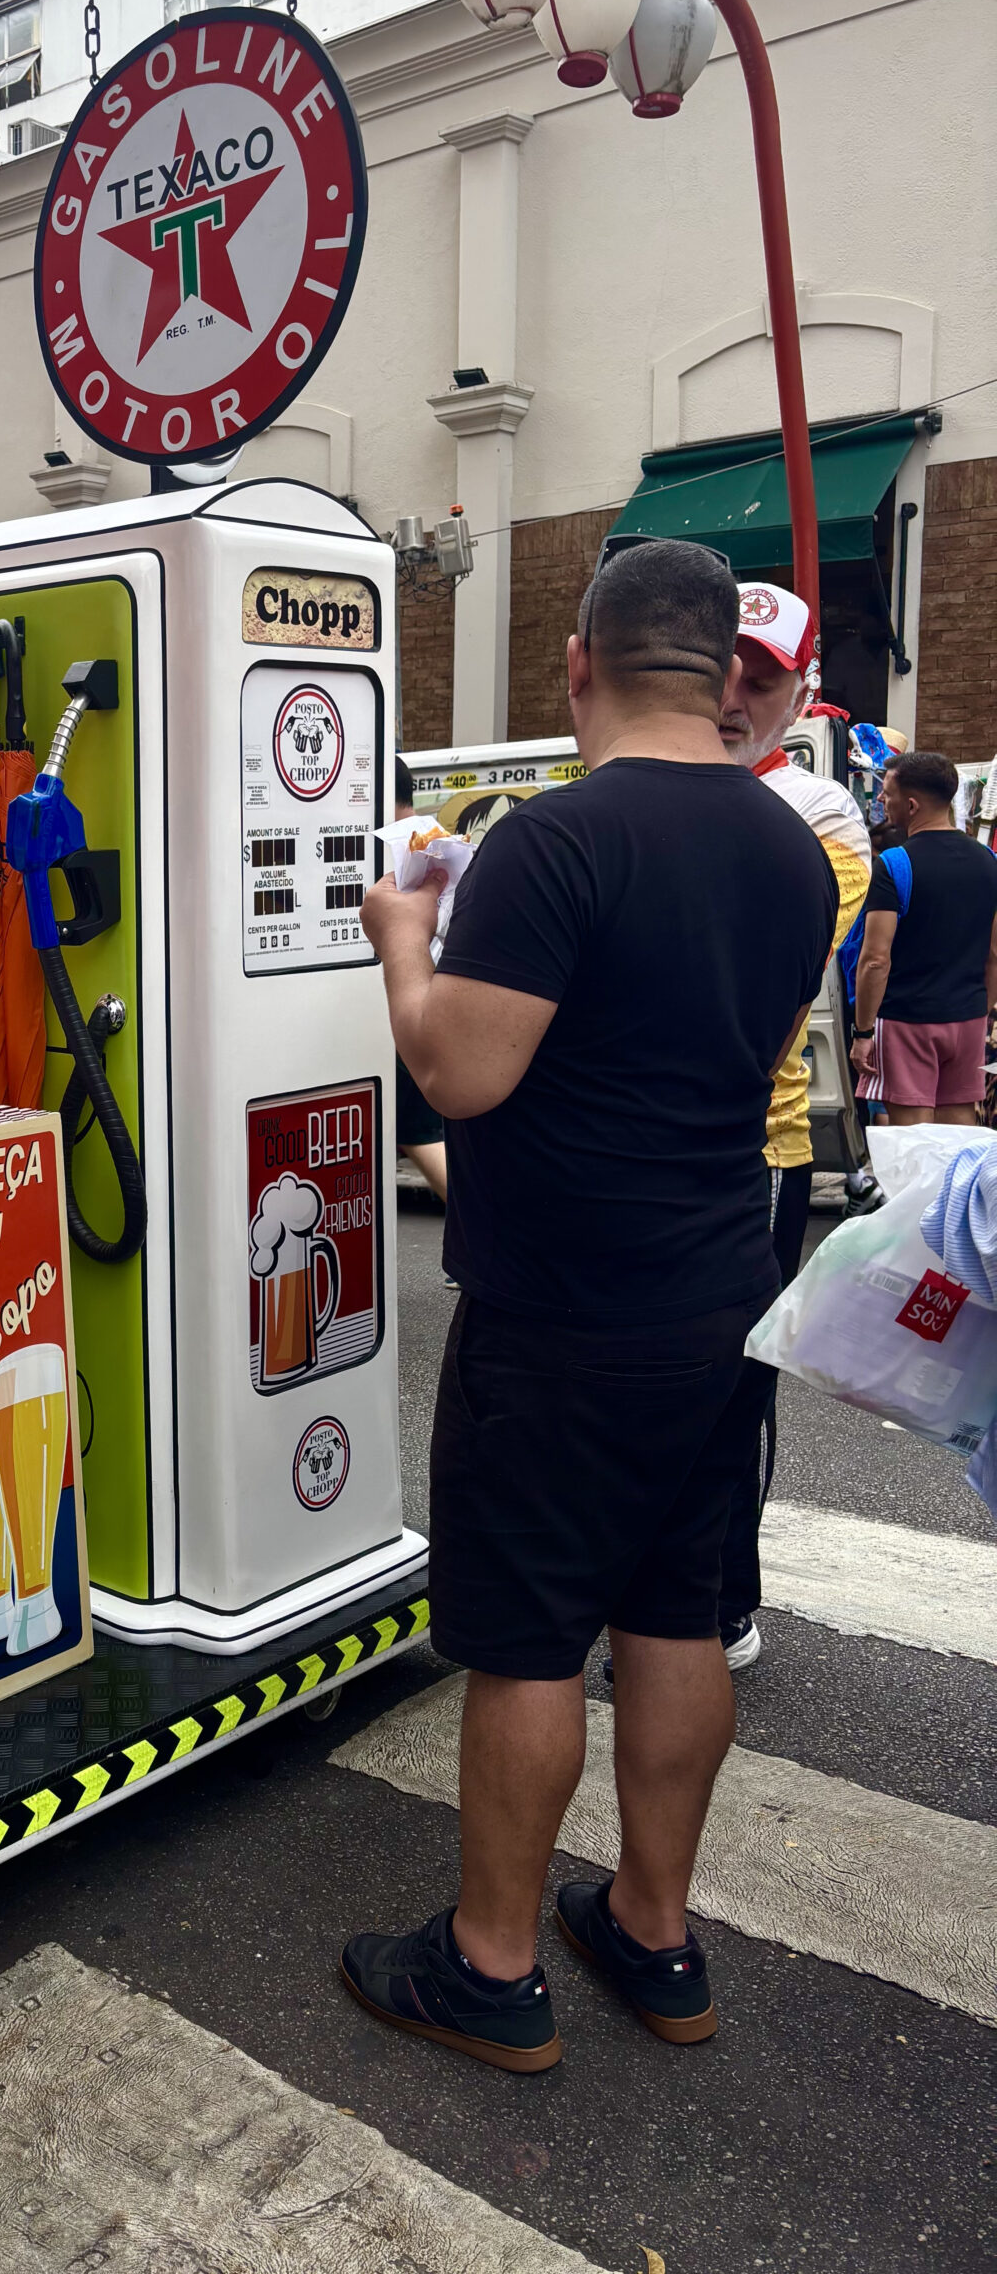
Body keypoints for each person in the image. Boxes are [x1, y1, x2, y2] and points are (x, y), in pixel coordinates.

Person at [341, 541, 835, 2073]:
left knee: (535, 1637)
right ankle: (652, 1926)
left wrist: (404, 940)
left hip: (560, 1310)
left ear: (579, 666)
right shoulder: (790, 851)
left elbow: (461, 1072)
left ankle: (490, 1966)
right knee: (678, 1612)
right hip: (719, 1292)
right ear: (724, 671)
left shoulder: (558, 844)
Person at [713, 580, 871, 1669]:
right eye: (713, 665)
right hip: (636, 1147)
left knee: (731, 1387)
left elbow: (758, 972)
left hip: (753, 1149)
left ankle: (721, 1601)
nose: (729, 695)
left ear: (801, 693)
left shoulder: (818, 813)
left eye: (759, 678)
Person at [850, 750, 997, 1128]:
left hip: (906, 1021)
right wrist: (979, 1011)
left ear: (911, 805)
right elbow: (995, 953)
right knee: (959, 1135)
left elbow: (874, 960)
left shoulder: (894, 864)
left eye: (887, 793)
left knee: (914, 1142)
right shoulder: (989, 861)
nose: (882, 800)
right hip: (967, 1019)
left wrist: (863, 1031)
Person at [391, 757, 448, 1207]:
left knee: (417, 1133)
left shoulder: (395, 846)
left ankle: (485, 1241)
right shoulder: (443, 839)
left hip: (411, 1005)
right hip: (450, 998)